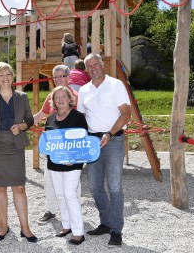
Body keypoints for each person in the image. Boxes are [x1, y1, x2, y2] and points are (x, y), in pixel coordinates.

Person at [0, 62, 37, 243]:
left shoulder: (22, 97)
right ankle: (3, 226)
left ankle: (25, 228)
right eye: (1, 75)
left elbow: (29, 119)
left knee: (19, 187)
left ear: (13, 77)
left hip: (15, 146)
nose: (5, 78)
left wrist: (21, 126)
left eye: (8, 75)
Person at [77, 53, 131, 248]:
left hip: (113, 139)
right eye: (89, 66)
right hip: (92, 142)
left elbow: (126, 114)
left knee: (115, 186)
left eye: (95, 64)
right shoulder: (83, 90)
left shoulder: (116, 85)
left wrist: (109, 133)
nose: (93, 68)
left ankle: (117, 230)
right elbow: (80, 119)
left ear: (102, 64)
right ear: (86, 69)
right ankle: (106, 222)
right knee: (94, 186)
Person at [33, 65, 79, 225]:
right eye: (56, 77)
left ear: (68, 77)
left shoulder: (76, 96)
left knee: (73, 183)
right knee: (49, 179)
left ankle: (75, 213)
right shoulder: (51, 97)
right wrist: (22, 124)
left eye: (62, 76)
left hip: (71, 147)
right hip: (54, 146)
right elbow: (40, 115)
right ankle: (51, 210)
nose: (59, 79)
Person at [44, 86, 88, 245]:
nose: (60, 100)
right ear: (53, 101)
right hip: (54, 163)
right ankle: (66, 225)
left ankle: (78, 232)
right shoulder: (50, 119)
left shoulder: (78, 117)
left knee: (70, 194)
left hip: (73, 164)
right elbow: (47, 141)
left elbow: (84, 140)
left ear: (70, 99)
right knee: (60, 194)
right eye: (57, 98)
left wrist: (75, 158)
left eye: (63, 97)